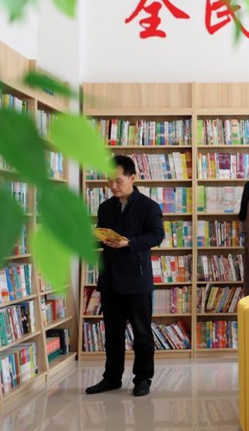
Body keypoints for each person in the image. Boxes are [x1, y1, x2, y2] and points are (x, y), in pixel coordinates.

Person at [86, 155, 164, 397]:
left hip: (137, 280)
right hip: (110, 279)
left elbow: (157, 236)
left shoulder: (149, 207)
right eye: (109, 181)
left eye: (118, 181)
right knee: (112, 334)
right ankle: (112, 378)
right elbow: (101, 236)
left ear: (133, 178)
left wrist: (130, 243)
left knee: (142, 334)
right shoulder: (105, 207)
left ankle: (143, 378)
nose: (113, 186)